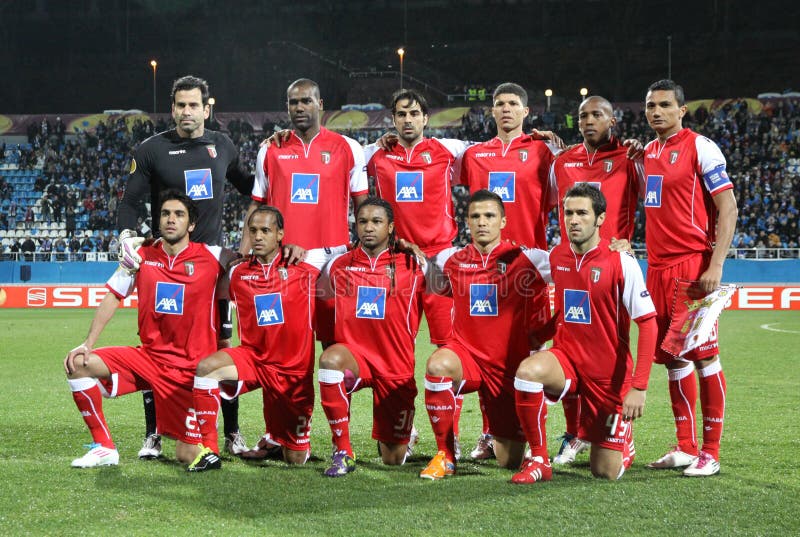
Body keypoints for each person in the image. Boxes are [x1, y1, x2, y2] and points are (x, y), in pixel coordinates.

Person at [117, 75, 254, 459]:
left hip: (212, 269)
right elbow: (128, 201)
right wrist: (132, 235)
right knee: (156, 348)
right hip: (168, 267)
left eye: (194, 105)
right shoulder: (151, 150)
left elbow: (252, 187)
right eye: (180, 105)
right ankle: (154, 434)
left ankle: (232, 432)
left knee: (222, 345)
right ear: (173, 108)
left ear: (207, 109)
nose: (186, 112)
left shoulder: (222, 145)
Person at [240, 78, 368, 458]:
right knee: (276, 349)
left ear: (320, 104)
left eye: (306, 101)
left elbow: (364, 208)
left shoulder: (348, 148)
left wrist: (361, 259)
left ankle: (339, 441)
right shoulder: (271, 150)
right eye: (292, 101)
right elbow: (257, 208)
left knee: (334, 351)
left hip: (331, 263)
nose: (299, 107)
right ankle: (279, 434)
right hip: (284, 268)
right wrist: (245, 250)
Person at [64, 190, 235, 468]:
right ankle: (104, 447)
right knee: (78, 363)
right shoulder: (141, 256)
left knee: (189, 454)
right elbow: (113, 295)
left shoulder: (213, 257)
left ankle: (213, 437)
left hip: (189, 371)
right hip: (149, 359)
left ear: (191, 224)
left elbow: (247, 263)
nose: (171, 219)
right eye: (166, 214)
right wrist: (88, 342)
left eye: (179, 215)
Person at [511, 184, 657, 484]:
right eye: (568, 213)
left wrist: (639, 387)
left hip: (607, 377)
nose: (573, 220)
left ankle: (623, 442)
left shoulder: (621, 262)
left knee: (605, 472)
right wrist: (539, 334)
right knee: (528, 371)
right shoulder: (557, 256)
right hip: (567, 360)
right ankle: (540, 459)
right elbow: (513, 260)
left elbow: (648, 323)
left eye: (582, 213)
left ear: (600, 219)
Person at [414, 190, 550, 480]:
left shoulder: (529, 258)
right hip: (468, 359)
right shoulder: (450, 259)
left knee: (509, 461)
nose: (482, 222)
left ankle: (517, 446)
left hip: (509, 370)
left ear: (503, 221)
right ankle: (445, 455)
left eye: (489, 216)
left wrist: (544, 332)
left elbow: (575, 272)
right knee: (438, 365)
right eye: (475, 216)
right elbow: (432, 281)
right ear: (467, 222)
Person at [456, 82, 559, 460]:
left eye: (513, 104)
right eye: (499, 104)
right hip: (485, 270)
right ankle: (488, 433)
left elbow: (558, 200)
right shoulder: (474, 155)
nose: (505, 110)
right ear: (492, 111)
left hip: (528, 267)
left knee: (532, 352)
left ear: (526, 111)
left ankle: (538, 441)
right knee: (486, 352)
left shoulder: (542, 151)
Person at [641, 79, 737, 477]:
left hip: (691, 267)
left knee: (705, 358)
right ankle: (685, 446)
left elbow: (727, 208)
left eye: (665, 105)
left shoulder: (701, 147)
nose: (657, 112)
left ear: (682, 110)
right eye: (650, 106)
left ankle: (710, 452)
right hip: (657, 269)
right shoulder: (646, 152)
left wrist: (715, 265)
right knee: (673, 360)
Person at [546, 95, 645, 465]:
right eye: (583, 115)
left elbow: (653, 200)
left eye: (597, 114)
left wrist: (631, 242)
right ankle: (575, 433)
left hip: (611, 267)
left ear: (613, 120)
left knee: (610, 349)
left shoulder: (630, 158)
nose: (589, 120)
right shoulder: (563, 161)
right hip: (572, 265)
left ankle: (618, 426)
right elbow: (547, 205)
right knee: (568, 345)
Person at [187, 205, 323, 471]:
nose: (258, 237)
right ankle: (210, 451)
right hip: (254, 361)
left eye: (265, 231)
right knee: (206, 369)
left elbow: (346, 249)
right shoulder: (238, 272)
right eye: (253, 231)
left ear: (280, 234)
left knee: (294, 459)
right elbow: (205, 273)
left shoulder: (304, 267)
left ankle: (276, 440)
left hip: (292, 373)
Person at [316, 197, 425, 476]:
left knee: (392, 459)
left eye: (376, 222)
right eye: (362, 221)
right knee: (330, 361)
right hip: (356, 360)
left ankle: (405, 435)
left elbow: (445, 292)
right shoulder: (337, 266)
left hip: (395, 367)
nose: (368, 227)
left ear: (390, 227)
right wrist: (332, 346)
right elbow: (325, 308)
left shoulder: (415, 265)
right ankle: (342, 449)